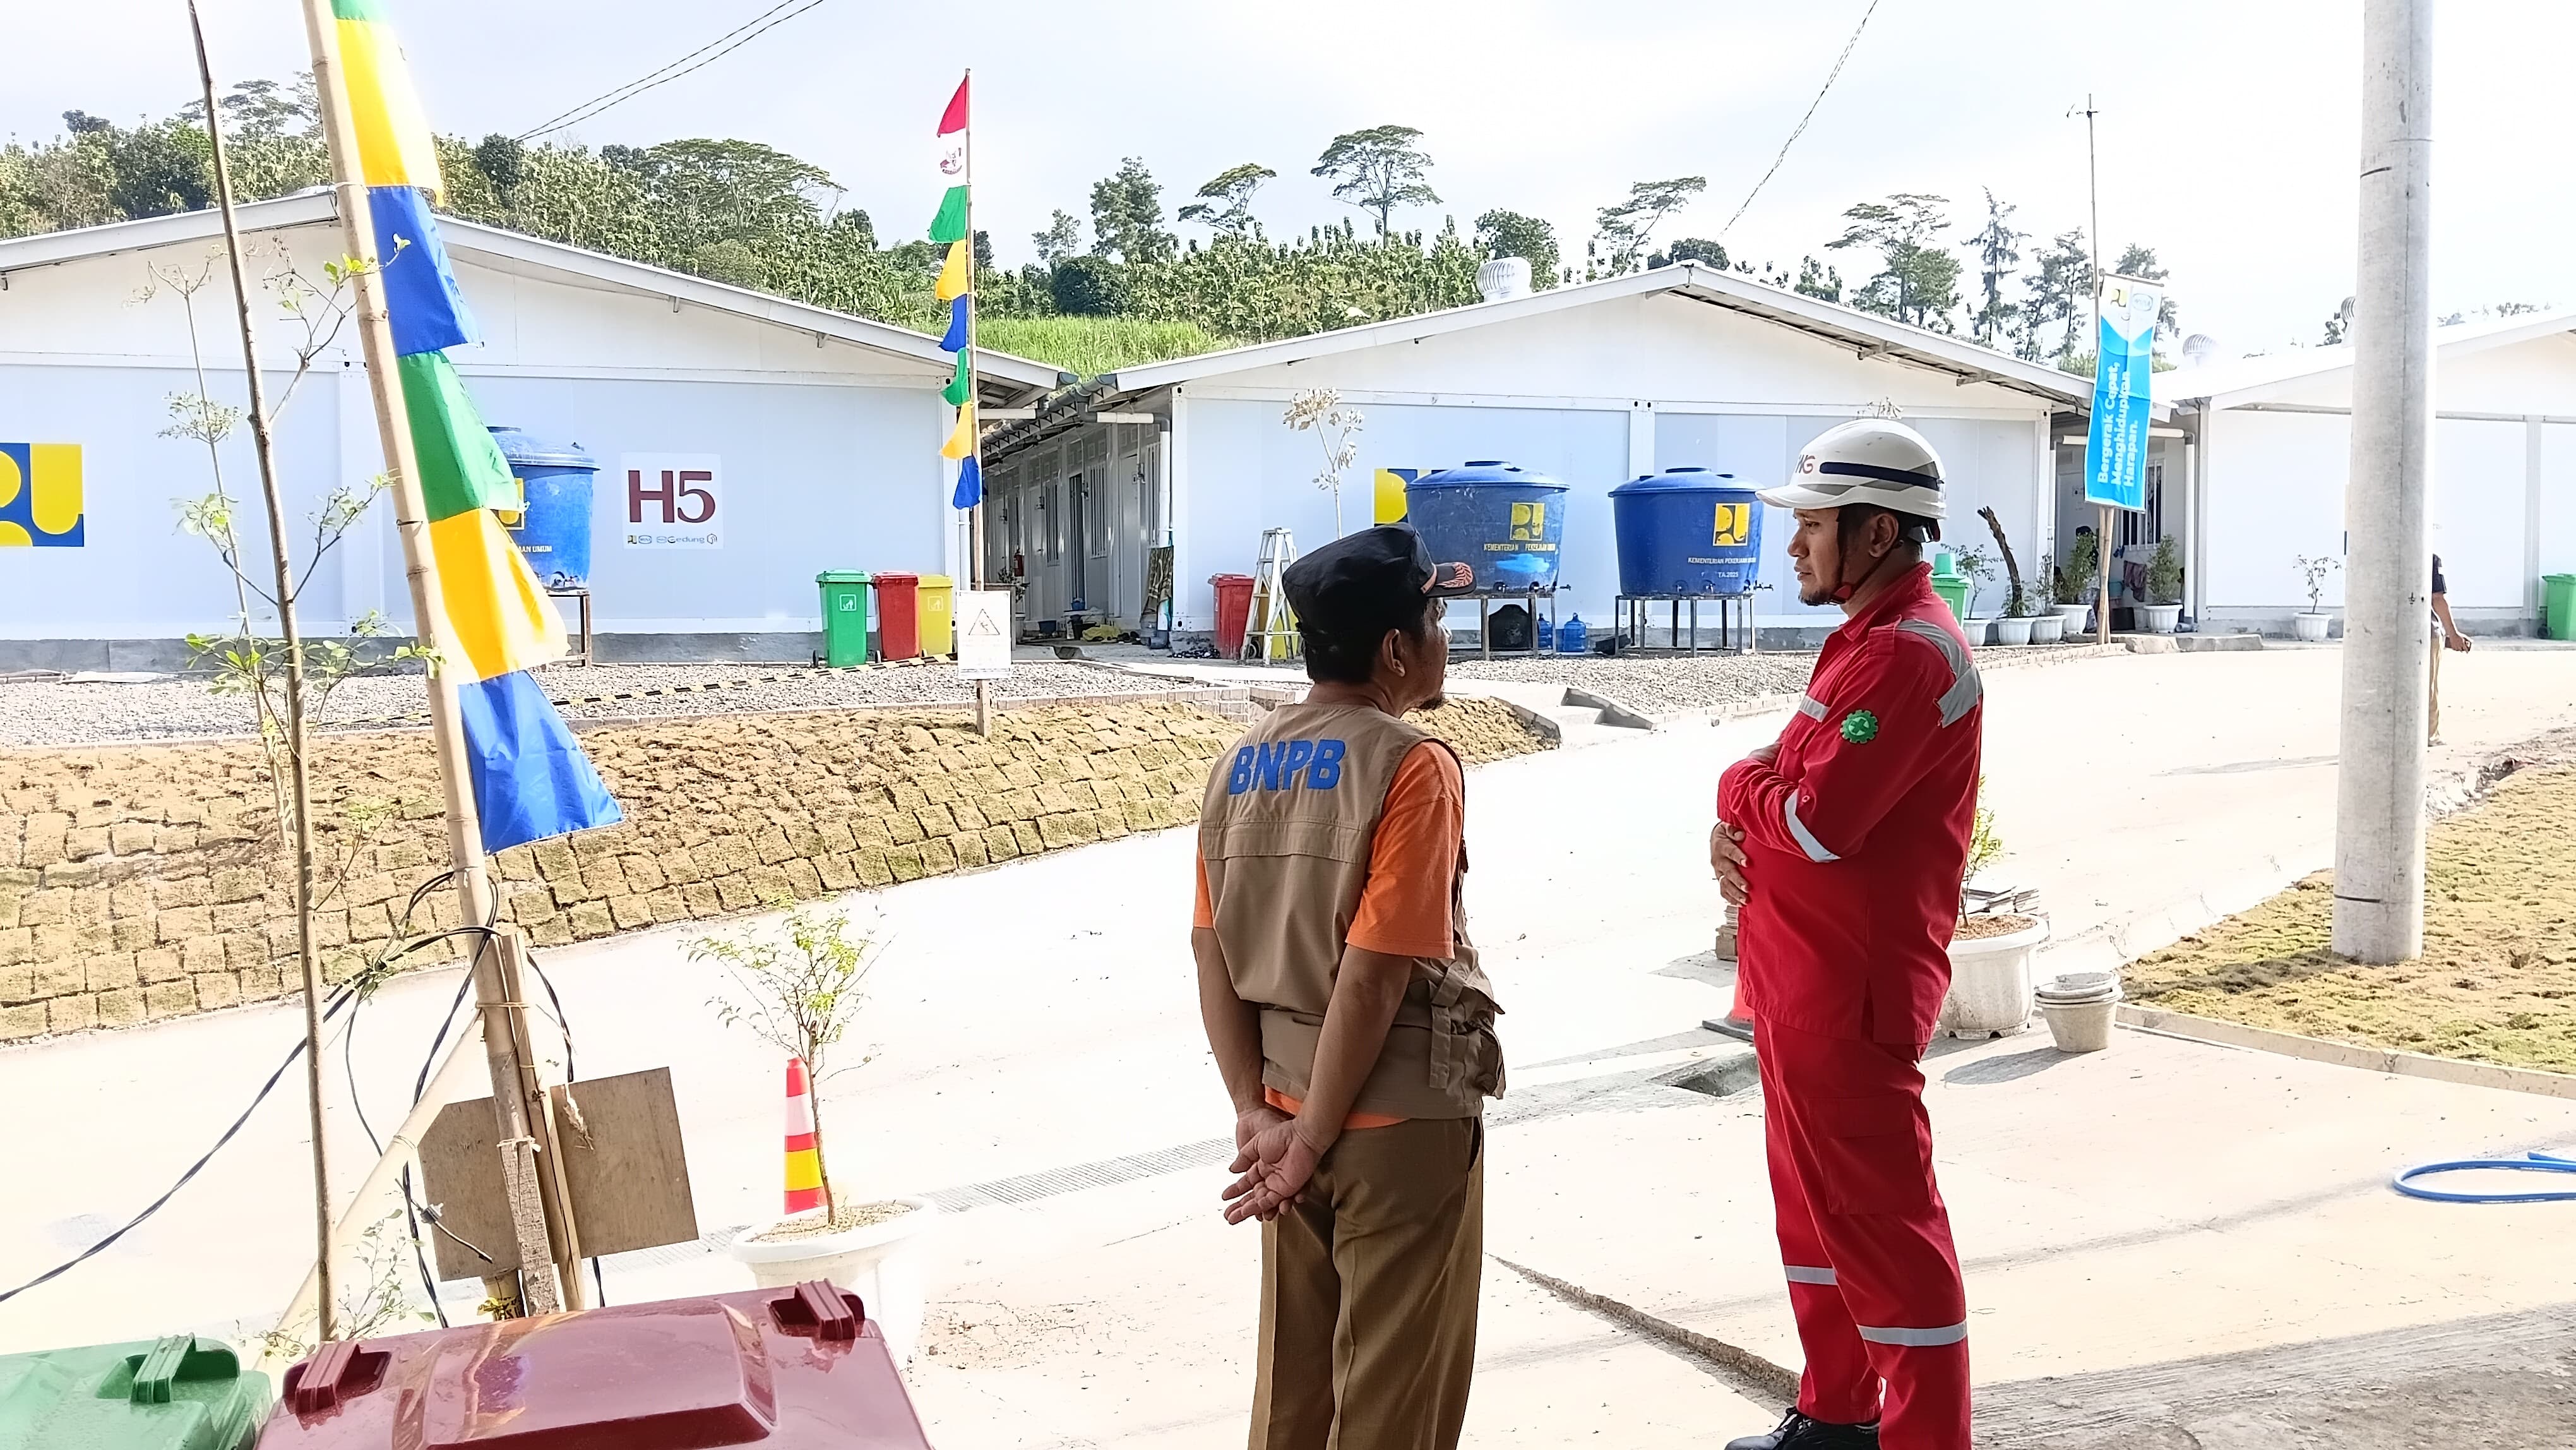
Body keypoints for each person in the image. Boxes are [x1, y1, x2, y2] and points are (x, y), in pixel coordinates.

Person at [1191, 524, 1505, 1450]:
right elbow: (1372, 977)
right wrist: (1310, 1139)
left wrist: (1261, 1116)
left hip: (1286, 1108)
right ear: (1396, 648)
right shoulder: (1413, 764)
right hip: (1393, 1128)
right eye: (1437, 617)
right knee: (1392, 1405)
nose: (1446, 637)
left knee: (1293, 1394)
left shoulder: (1237, 765)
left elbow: (1211, 956)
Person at [1708, 419, 1984, 1450]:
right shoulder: (1863, 643)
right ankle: (1837, 1413)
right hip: (1799, 982)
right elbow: (1785, 775)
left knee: (1887, 1233)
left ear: (1876, 533)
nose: (1793, 548)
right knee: (1817, 1220)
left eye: (1813, 527)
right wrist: (1749, 800)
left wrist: (1745, 795)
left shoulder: (1909, 657)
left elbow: (1819, 819)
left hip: (1850, 991)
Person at [2430, 552, 2470, 744]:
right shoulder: (2429, 557)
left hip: (2382, 633)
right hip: (2425, 633)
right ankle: (2429, 734)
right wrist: (2452, 635)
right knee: (2427, 687)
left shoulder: (2376, 548)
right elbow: (2437, 598)